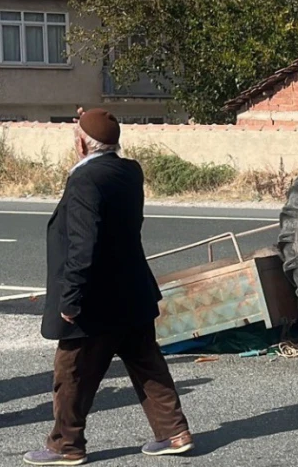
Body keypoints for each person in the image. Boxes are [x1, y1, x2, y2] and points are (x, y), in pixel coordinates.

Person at [23, 109, 193, 466]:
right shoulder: (129, 171)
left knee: (71, 372)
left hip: (96, 298)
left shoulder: (85, 180)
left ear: (83, 143)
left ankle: (65, 444)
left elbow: (83, 243)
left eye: (76, 136)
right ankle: (174, 431)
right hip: (132, 290)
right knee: (147, 364)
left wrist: (70, 298)